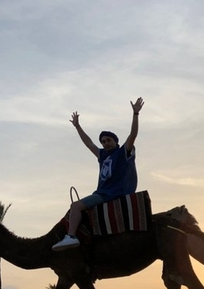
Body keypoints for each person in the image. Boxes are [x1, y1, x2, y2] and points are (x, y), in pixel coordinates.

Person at [52, 98, 144, 251]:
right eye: (103, 141)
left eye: (108, 140)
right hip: (103, 193)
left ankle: (71, 236)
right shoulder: (102, 155)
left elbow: (133, 135)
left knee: (75, 206)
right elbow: (88, 143)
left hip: (110, 193)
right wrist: (77, 127)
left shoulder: (123, 153)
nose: (105, 143)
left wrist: (135, 113)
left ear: (115, 141)